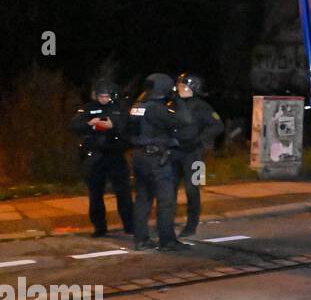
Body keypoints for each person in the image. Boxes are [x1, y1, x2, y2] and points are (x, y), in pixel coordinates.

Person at [127, 73, 191, 251]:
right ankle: (167, 241)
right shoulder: (156, 109)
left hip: (139, 156)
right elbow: (184, 120)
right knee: (166, 200)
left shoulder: (137, 106)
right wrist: (177, 98)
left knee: (143, 199)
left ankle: (141, 240)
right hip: (156, 159)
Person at [68, 80, 134, 237]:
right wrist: (90, 124)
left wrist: (114, 127)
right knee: (95, 194)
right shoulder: (89, 108)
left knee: (123, 193)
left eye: (106, 96)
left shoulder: (119, 108)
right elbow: (73, 125)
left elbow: (129, 128)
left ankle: (130, 225)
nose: (103, 99)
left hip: (115, 155)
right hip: (95, 157)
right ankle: (99, 227)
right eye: (100, 96)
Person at [170, 72, 223, 237]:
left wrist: (199, 139)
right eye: (178, 85)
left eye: (183, 85)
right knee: (168, 191)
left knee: (193, 190)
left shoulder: (201, 106)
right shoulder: (172, 104)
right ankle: (165, 224)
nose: (179, 88)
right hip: (174, 153)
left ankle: (191, 225)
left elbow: (217, 126)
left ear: (193, 88)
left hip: (194, 155)